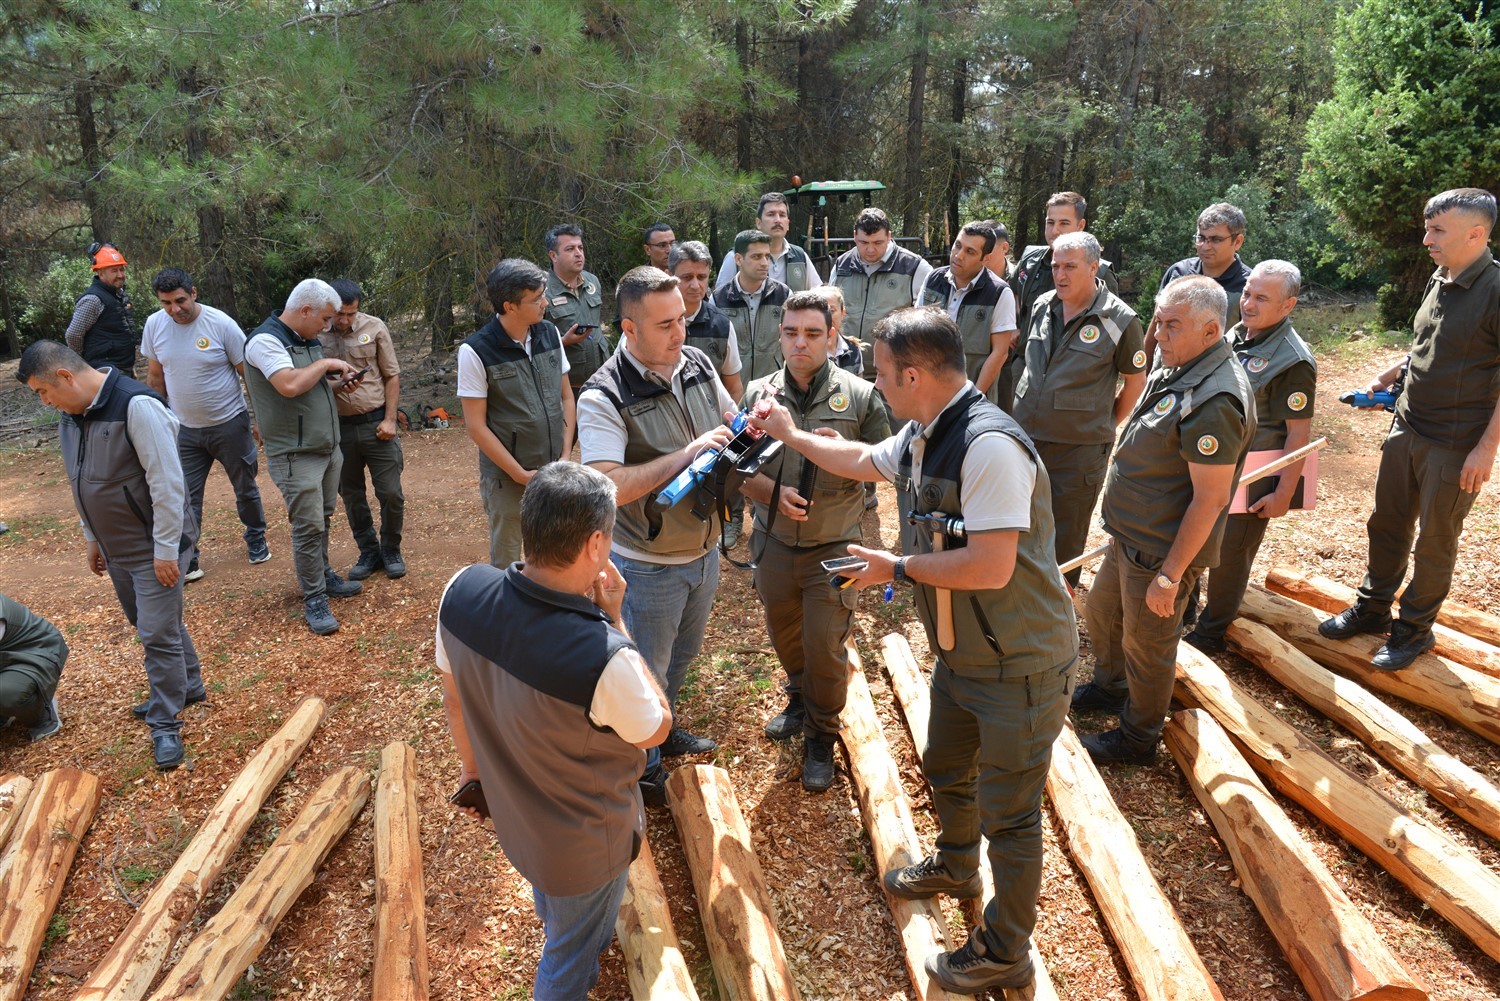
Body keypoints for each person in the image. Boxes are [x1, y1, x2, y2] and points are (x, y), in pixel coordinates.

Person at [749, 307, 1078, 994]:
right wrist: (791, 433)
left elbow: (988, 566)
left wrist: (894, 566)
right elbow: (864, 460)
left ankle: (1005, 948)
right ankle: (958, 863)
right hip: (966, 655)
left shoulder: (986, 446)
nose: (876, 386)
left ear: (913, 374)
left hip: (1018, 661)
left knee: (1011, 813)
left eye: (881, 375)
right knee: (947, 763)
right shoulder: (927, 430)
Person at [439, 461, 670, 999]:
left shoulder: (462, 592)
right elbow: (656, 729)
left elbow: (454, 697)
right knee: (567, 959)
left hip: (516, 816)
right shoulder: (602, 657)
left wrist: (475, 774)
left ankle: (565, 926)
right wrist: (616, 622)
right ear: (595, 544)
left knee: (561, 917)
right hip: (583, 845)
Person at [1074, 276, 1254, 765]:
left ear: (1212, 329)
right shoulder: (1180, 362)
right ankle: (1111, 688)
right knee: (1102, 615)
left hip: (1161, 549)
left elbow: (1210, 500)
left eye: (1171, 325)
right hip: (1131, 534)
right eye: (1157, 320)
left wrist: (1171, 576)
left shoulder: (1215, 400)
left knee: (1148, 647)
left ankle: (1138, 736)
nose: (1158, 333)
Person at [1320, 187, 1500, 670]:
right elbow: (1429, 343)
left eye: (1437, 230)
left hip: (1456, 443)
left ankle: (1414, 630)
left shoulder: (1495, 290)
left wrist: (1486, 450)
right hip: (1408, 425)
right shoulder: (1440, 277)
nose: (1426, 239)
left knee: (1436, 539)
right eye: (1428, 228)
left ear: (1476, 234)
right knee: (1388, 523)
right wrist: (1390, 375)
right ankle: (1373, 608)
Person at [578, 266, 737, 802]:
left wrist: (749, 428)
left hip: (702, 549)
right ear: (628, 328)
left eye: (683, 320)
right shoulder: (602, 395)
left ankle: (660, 736)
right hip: (646, 563)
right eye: (665, 324)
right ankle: (637, 767)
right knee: (642, 667)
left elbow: (728, 420)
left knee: (679, 658)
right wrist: (687, 456)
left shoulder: (696, 363)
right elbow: (607, 486)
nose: (680, 333)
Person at [18, 341, 204, 769]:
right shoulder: (72, 417)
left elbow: (168, 485)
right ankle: (189, 685)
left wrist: (164, 550)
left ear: (65, 377)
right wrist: (92, 536)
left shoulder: (136, 406)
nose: (45, 402)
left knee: (157, 633)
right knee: (151, 621)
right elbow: (80, 481)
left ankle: (165, 722)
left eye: (43, 392)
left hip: (153, 544)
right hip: (115, 543)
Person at [738, 292, 889, 791]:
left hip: (833, 544)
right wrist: (773, 494)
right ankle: (801, 698)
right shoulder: (760, 396)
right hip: (776, 543)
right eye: (790, 333)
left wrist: (842, 449)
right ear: (780, 334)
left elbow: (885, 464)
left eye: (811, 334)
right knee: (785, 634)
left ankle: (821, 735)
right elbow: (737, 469)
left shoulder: (860, 394)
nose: (799, 343)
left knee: (826, 643)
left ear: (832, 336)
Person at [1184, 260, 1316, 653]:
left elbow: (1299, 435)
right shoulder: (1235, 334)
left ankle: (1213, 632)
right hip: (1214, 464)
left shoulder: (1294, 360)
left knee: (1230, 556)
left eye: (1261, 298)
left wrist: (1283, 494)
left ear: (1288, 305)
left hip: (1253, 474)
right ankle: (1187, 610)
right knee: (1195, 537)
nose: (1249, 304)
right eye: (1246, 294)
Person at [1010, 232, 1147, 585]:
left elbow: (1135, 382)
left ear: (1093, 267)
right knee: (1019, 520)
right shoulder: (1042, 305)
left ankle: (1059, 606)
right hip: (1025, 440)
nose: (1060, 274)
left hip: (1078, 452)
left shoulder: (1120, 319)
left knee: (1066, 535)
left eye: (1070, 266)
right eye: (1055, 265)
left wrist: (1106, 423)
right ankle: (1020, 593)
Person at [243, 279, 365, 636]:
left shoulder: (304, 339)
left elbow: (308, 386)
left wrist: (336, 385)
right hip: (296, 454)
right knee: (308, 527)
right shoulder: (266, 342)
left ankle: (323, 575)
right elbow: (290, 385)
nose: (327, 327)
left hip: (325, 447)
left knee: (322, 519)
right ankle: (314, 598)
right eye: (325, 319)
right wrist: (327, 361)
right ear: (305, 310)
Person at [142, 267, 270, 580]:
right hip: (183, 429)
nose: (175, 309)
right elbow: (156, 377)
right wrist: (152, 423)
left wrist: (260, 419)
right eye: (166, 303)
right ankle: (189, 558)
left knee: (245, 487)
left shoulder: (220, 324)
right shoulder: (155, 325)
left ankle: (256, 537)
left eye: (180, 300)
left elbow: (247, 374)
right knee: (184, 496)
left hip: (229, 424)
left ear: (194, 293)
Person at [459, 259, 575, 568]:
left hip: (553, 468)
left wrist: (565, 453)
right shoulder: (475, 351)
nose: (545, 303)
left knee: (553, 550)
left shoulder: (549, 333)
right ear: (510, 306)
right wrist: (518, 474)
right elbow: (476, 426)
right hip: (507, 479)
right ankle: (508, 614)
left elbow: (566, 396)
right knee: (508, 558)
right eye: (536, 299)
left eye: (543, 294)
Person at [319, 279, 406, 582]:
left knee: (391, 493)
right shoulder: (317, 331)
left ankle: (391, 548)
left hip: (376, 424)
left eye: (350, 314)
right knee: (351, 495)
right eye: (339, 314)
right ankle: (368, 550)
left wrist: (390, 420)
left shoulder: (375, 327)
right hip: (339, 430)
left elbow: (392, 375)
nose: (344, 320)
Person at [1007, 192, 1120, 410]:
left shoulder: (1099, 271)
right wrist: (1013, 325)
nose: (1055, 230)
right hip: (1026, 370)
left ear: (1081, 225)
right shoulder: (1031, 259)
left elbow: (1111, 329)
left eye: (1064, 223)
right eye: (1050, 222)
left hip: (1074, 381)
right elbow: (1013, 291)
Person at [917, 221, 1019, 404]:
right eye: (958, 246)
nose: (958, 255)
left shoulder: (999, 293)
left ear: (985, 259)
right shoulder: (933, 279)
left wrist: (974, 398)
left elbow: (1000, 353)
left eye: (970, 252)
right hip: (927, 391)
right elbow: (916, 331)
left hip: (971, 395)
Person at [831, 207, 933, 373]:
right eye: (863, 243)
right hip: (846, 370)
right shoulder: (841, 264)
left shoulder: (914, 267)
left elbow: (929, 324)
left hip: (893, 372)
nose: (870, 250)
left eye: (878, 243)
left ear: (889, 237)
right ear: (855, 236)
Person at [712, 229, 792, 385]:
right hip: (733, 391)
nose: (764, 262)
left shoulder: (784, 295)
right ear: (738, 259)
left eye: (767, 256)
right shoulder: (718, 298)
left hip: (773, 389)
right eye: (756, 257)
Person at [1159, 201, 1254, 330]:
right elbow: (1156, 323)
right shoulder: (1179, 272)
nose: (1205, 246)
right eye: (1201, 238)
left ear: (1237, 241)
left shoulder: (1249, 286)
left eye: (1216, 240)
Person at [670, 240, 745, 399]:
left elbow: (734, 388)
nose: (695, 285)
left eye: (702, 277)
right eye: (687, 277)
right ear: (670, 276)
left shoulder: (722, 325)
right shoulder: (650, 320)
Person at [543, 224, 610, 393]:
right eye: (570, 249)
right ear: (553, 256)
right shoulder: (541, 290)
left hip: (602, 379)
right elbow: (533, 341)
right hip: (566, 386)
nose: (578, 253)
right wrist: (563, 342)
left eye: (580, 247)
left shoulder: (592, 281)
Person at [716, 191, 820, 293]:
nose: (777, 220)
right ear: (758, 223)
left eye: (782, 215)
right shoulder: (737, 257)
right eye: (771, 214)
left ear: (788, 224)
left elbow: (818, 294)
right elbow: (721, 300)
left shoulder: (800, 256)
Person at [0, 592, 66, 742]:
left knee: (7, 694)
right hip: (5, 656)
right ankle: (3, 713)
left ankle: (44, 714)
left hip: (36, 651)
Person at [65, 242, 137, 374]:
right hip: (104, 372)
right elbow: (73, 335)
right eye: (114, 271)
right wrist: (82, 363)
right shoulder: (93, 300)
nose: (120, 275)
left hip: (122, 368)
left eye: (121, 269)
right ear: (101, 273)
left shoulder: (119, 295)